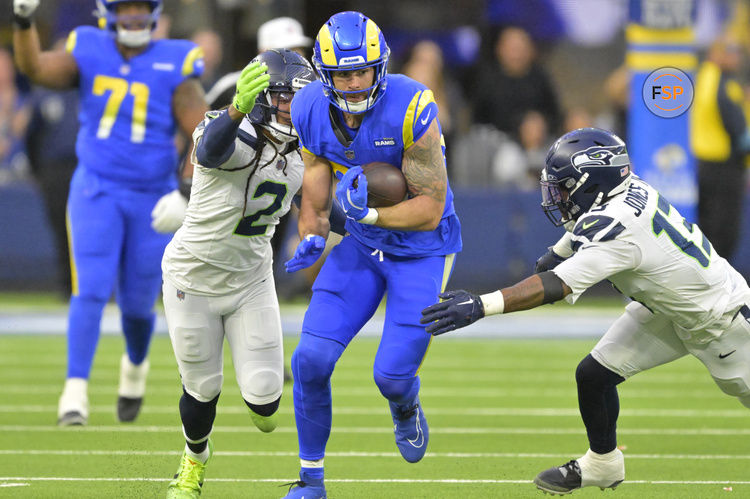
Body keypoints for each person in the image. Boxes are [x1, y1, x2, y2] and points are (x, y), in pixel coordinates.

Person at [421, 127, 750, 495]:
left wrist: (481, 304)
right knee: (594, 375)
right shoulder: (626, 190)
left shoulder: (617, 230)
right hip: (668, 310)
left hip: (722, 322)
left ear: (592, 183)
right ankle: (603, 464)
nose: (557, 196)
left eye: (564, 187)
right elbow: (589, 223)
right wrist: (560, 250)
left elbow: (555, 286)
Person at [281, 11, 462, 498]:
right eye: (343, 72)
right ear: (323, 73)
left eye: (363, 70)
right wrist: (313, 227)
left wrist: (369, 218)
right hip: (362, 245)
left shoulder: (411, 105)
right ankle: (310, 482)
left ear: (380, 65)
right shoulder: (309, 107)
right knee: (310, 360)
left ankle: (406, 406)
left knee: (391, 375)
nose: (355, 81)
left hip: (422, 249)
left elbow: (430, 206)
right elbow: (317, 163)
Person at [12, 0, 208, 426]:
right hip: (97, 187)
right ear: (108, 12)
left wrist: (186, 189)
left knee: (138, 305)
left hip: (151, 196)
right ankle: (75, 391)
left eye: (142, 9)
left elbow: (202, 132)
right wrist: (24, 21)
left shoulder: (175, 59)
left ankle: (134, 369)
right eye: (126, 9)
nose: (135, 18)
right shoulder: (87, 46)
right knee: (92, 288)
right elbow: (35, 68)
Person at [162, 49, 327, 498]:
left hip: (251, 279)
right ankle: (194, 461)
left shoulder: (307, 149)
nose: (290, 109)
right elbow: (211, 153)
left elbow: (319, 205)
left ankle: (229, 421)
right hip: (192, 279)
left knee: (266, 402)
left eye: (299, 99)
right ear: (257, 95)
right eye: (281, 97)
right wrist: (236, 109)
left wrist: (333, 222)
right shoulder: (231, 127)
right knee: (202, 393)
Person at [690, 34, 749, 262]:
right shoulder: (725, 84)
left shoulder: (704, 77)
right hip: (725, 167)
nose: (736, 58)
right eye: (730, 52)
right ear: (716, 54)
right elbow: (738, 131)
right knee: (725, 232)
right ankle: (721, 285)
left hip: (706, 165)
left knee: (710, 228)